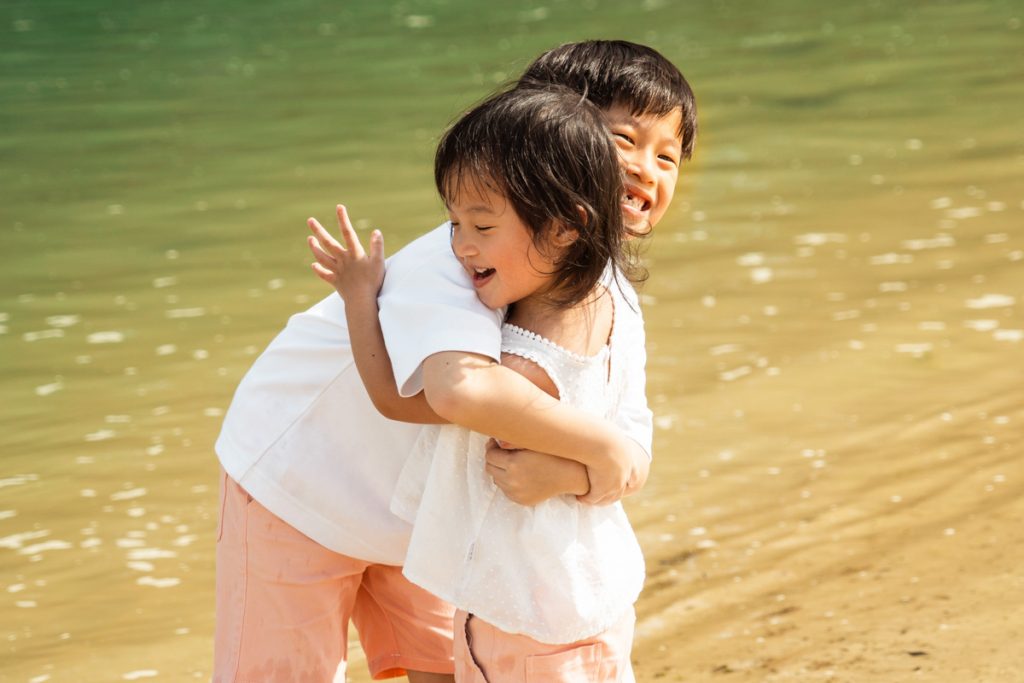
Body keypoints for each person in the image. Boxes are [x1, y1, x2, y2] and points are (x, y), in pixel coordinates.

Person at [214, 40, 696, 683]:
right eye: (622, 140)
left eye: (666, 155)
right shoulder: (458, 260)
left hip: (426, 512)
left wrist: (588, 470)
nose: (645, 169)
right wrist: (607, 455)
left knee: (448, 664)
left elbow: (621, 414)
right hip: (301, 484)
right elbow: (465, 392)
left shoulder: (600, 282)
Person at [310, 82, 652, 682]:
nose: (460, 247)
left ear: (566, 226)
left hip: (526, 622)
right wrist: (587, 466)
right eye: (453, 223)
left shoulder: (511, 373)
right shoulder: (615, 303)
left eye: (482, 226)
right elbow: (632, 449)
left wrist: (359, 295)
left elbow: (396, 398)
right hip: (585, 602)